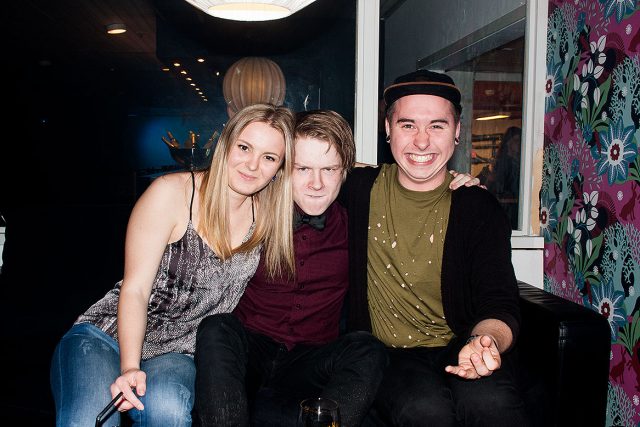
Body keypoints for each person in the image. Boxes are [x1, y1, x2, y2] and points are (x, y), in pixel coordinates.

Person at [192, 110, 480, 427]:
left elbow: (391, 179)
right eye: (302, 168)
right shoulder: (253, 213)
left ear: (344, 173)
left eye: (329, 169)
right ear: (283, 169)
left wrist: (448, 178)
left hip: (312, 359)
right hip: (250, 349)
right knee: (216, 327)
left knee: (368, 348)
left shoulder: (357, 224)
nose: (316, 184)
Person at [49, 103, 297, 427]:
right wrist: (129, 367)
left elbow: (323, 174)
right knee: (87, 420)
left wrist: (355, 167)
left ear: (280, 168)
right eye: (244, 148)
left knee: (168, 411)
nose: (252, 165)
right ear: (225, 144)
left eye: (269, 157)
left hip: (178, 352)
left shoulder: (267, 216)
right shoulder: (171, 193)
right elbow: (136, 290)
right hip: (106, 335)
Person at [338, 70, 528, 426]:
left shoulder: (477, 207)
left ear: (457, 131)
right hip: (386, 354)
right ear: (387, 128)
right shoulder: (358, 189)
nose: (422, 142)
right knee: (425, 411)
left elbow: (500, 300)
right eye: (408, 125)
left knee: (493, 405)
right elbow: (301, 163)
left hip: (461, 340)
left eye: (437, 126)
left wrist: (485, 342)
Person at [486, 126, 522, 229]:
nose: (519, 144)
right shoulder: (504, 163)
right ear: (508, 142)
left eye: (520, 140)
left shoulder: (518, 163)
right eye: (516, 140)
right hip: (506, 212)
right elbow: (498, 189)